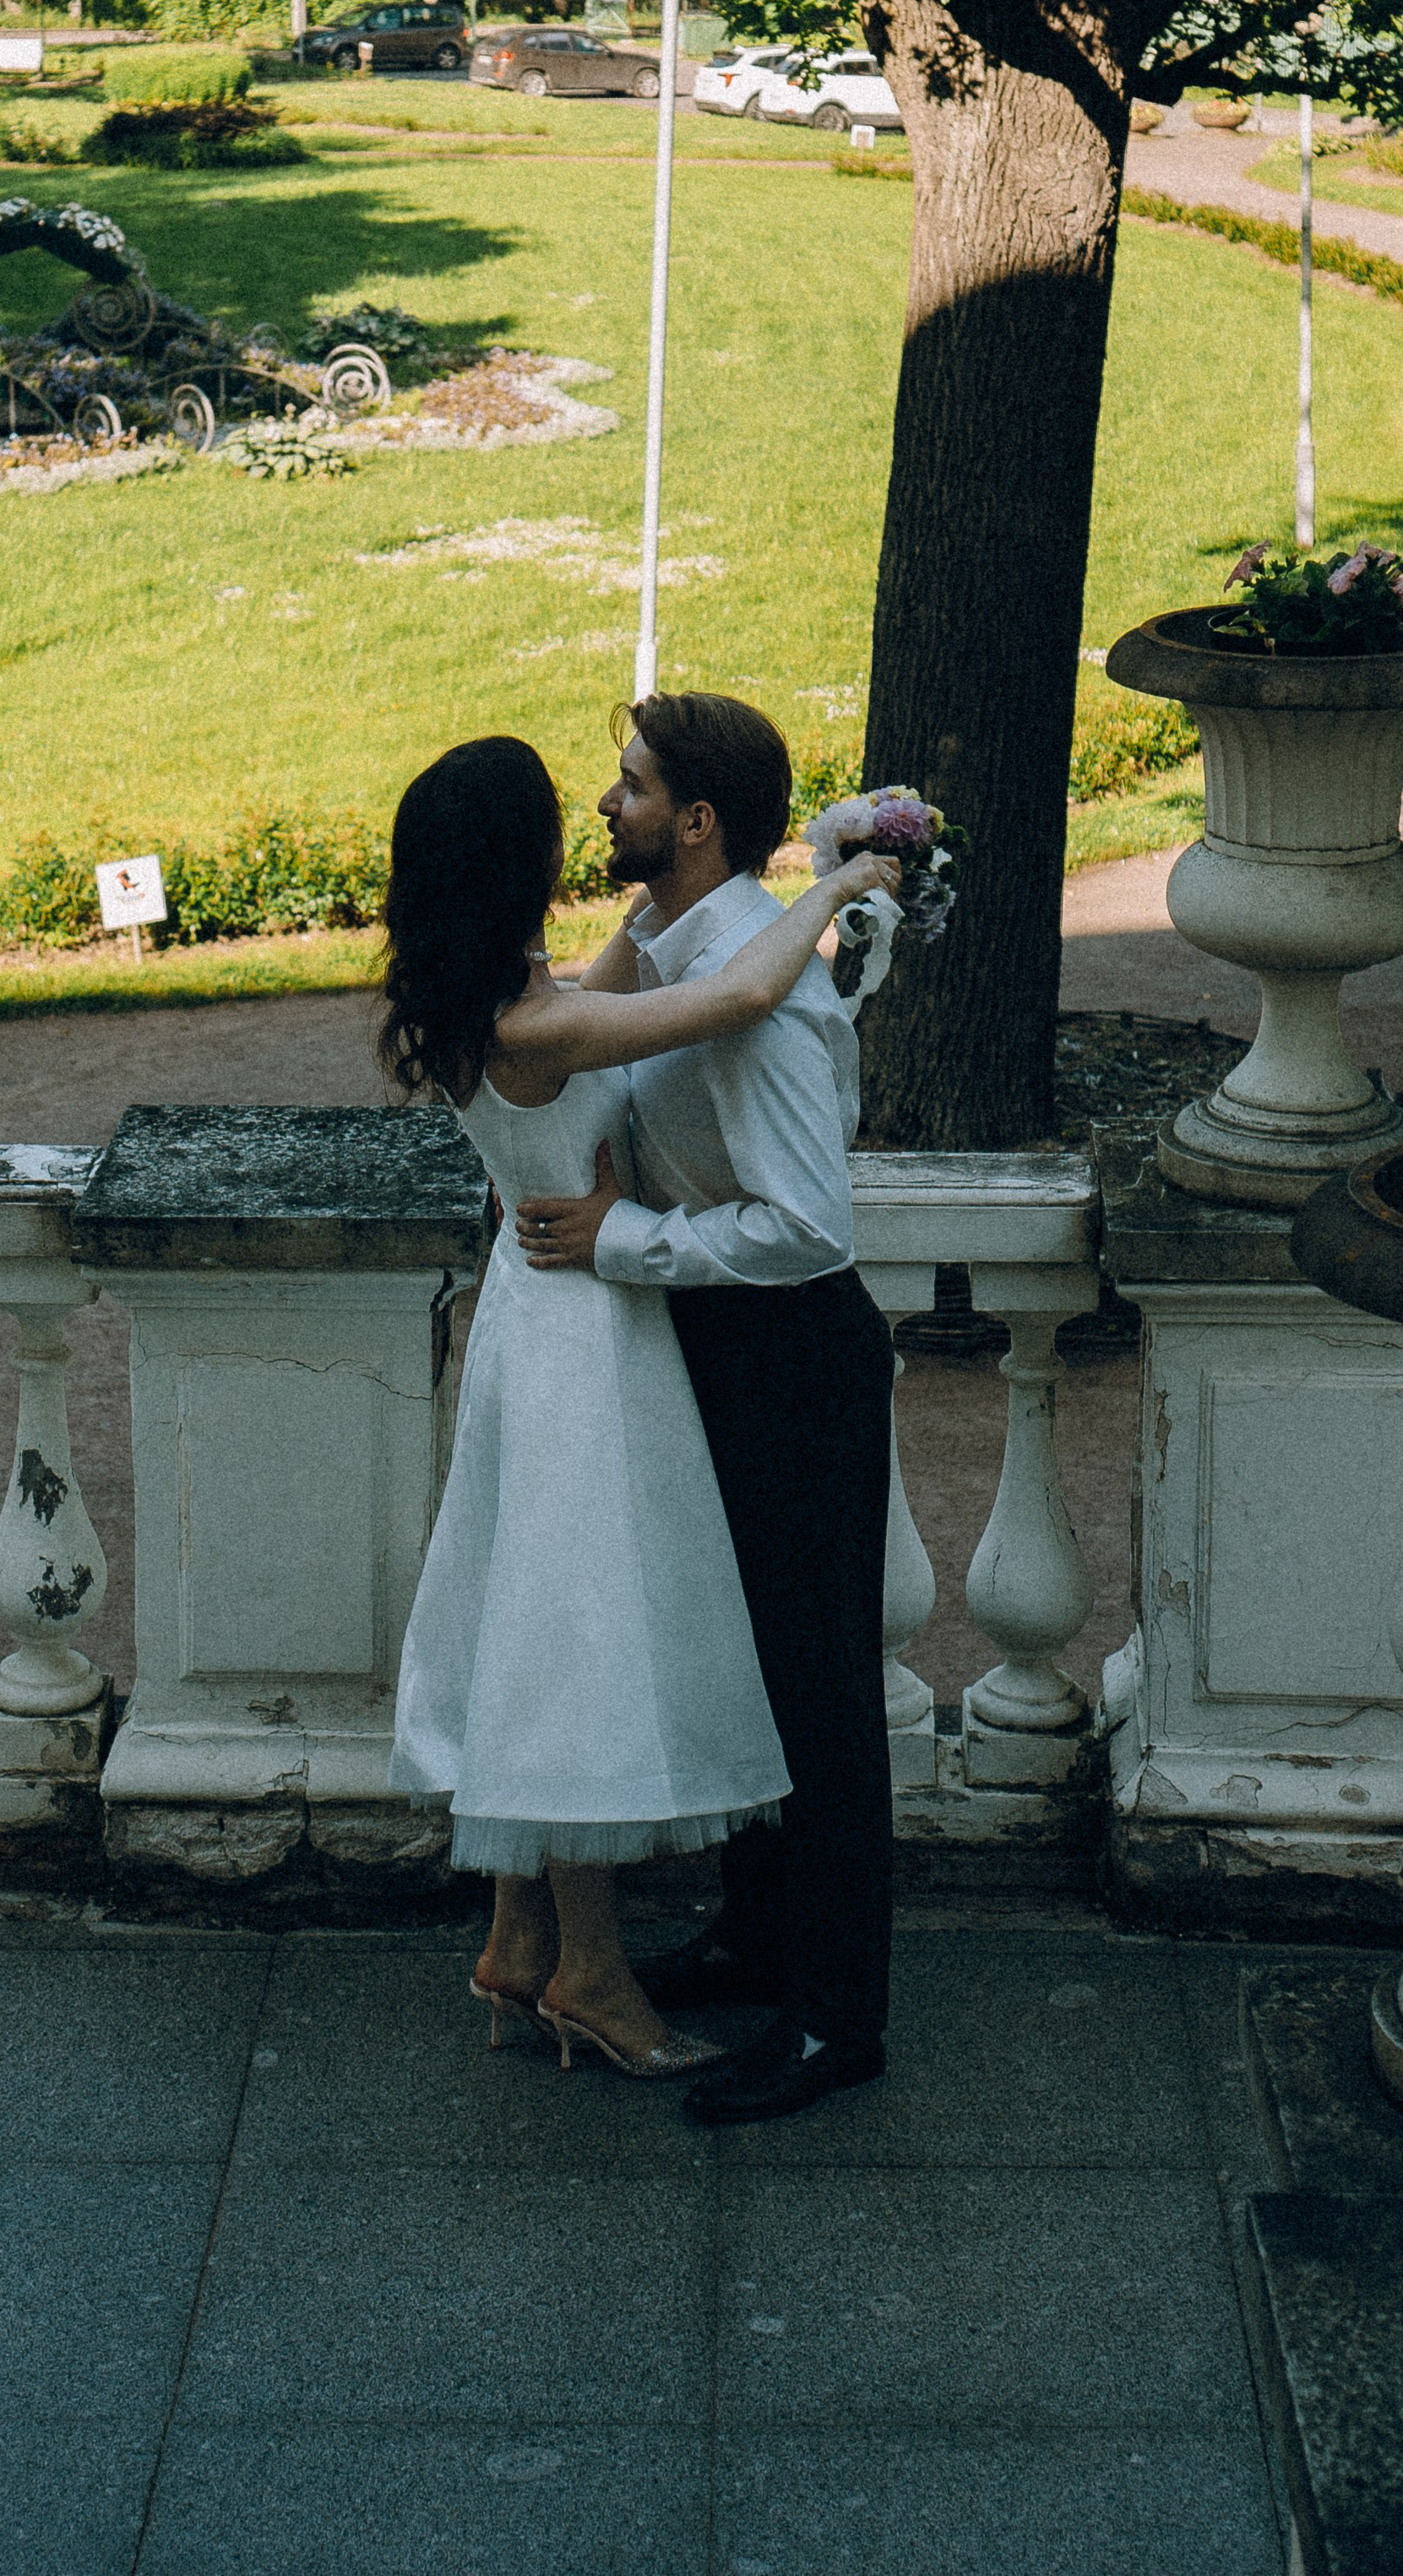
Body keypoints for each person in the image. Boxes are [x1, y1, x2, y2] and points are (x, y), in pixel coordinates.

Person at [382, 733, 897, 2079]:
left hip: (558, 1315)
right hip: (588, 1331)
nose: (598, 812)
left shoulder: (490, 990)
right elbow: (729, 1001)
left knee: (571, 1629)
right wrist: (831, 890)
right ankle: (602, 1974)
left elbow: (667, 959)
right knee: (585, 1640)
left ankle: (546, 1948)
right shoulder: (533, 1017)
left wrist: (725, 884)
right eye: (572, 810)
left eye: (628, 787)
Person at [517, 691, 901, 2124]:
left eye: (627, 787)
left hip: (792, 1357)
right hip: (723, 1350)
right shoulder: (691, 946)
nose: (603, 804)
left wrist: (625, 1246)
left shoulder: (762, 976)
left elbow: (811, 1225)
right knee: (741, 1664)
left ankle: (836, 2021)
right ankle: (758, 1938)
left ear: (694, 821)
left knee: (819, 1698)